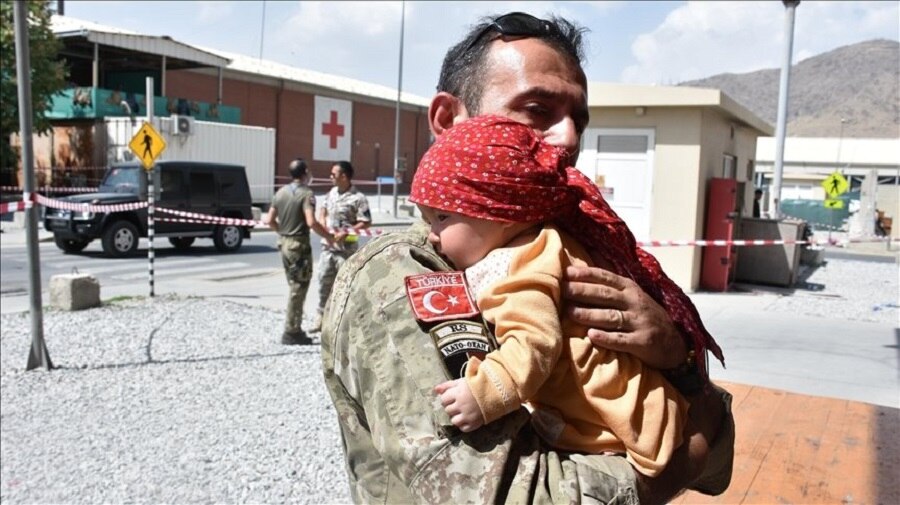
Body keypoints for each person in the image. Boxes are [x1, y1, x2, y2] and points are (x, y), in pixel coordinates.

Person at [321, 12, 734, 504]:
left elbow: (719, 462)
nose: (569, 139)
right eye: (537, 109)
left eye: (579, 120)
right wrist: (687, 455)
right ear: (449, 120)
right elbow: (520, 494)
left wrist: (678, 357)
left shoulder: (574, 246)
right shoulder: (406, 273)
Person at [410, 114, 725, 480]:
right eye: (428, 219)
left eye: (442, 217)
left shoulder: (519, 265)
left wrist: (484, 391)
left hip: (612, 423)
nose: (431, 234)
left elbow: (534, 344)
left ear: (502, 211)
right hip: (636, 404)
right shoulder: (549, 239)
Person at [265, 158, 333, 345]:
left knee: (294, 285)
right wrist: (328, 236)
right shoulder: (306, 194)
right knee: (299, 286)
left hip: (284, 243)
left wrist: (283, 231)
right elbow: (311, 221)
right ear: (305, 173)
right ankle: (292, 330)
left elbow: (270, 219)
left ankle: (293, 326)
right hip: (298, 245)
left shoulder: (280, 192)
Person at [308, 161, 371, 332]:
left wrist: (347, 231)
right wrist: (323, 225)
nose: (330, 177)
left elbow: (365, 222)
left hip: (346, 250)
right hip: (328, 248)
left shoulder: (358, 198)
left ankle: (344, 323)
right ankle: (320, 319)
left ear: (344, 176)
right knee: (323, 283)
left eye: (333, 174)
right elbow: (323, 211)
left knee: (346, 287)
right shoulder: (331, 193)